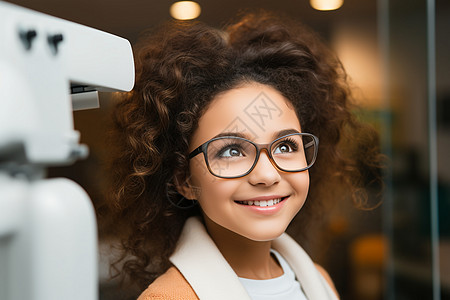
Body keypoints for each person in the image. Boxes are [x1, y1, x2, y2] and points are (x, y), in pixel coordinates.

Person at [102, 10, 382, 300]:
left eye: (286, 146)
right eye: (232, 150)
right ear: (184, 179)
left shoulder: (319, 281)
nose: (266, 175)